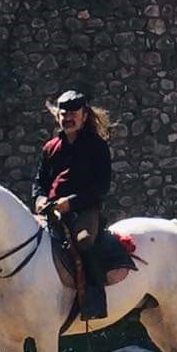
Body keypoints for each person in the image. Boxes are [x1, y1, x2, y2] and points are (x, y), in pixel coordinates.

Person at [33, 88, 122, 319]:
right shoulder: (50, 148)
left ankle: (93, 301)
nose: (68, 118)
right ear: (58, 116)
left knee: (83, 241)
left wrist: (70, 203)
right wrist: (40, 198)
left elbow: (100, 187)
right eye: (64, 114)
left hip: (85, 209)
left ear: (84, 116)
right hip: (52, 210)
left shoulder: (97, 146)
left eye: (73, 114)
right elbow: (39, 182)